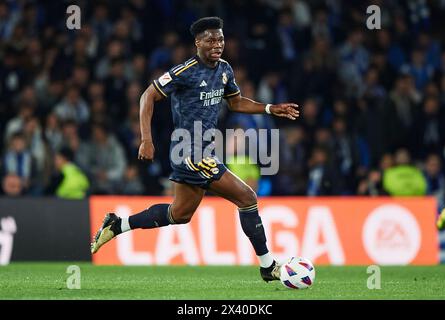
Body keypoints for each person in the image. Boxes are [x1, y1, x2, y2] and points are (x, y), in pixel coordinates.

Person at [90, 17, 299, 282]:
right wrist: (146, 138)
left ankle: (117, 224)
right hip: (188, 151)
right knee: (247, 198)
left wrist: (270, 108)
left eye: (220, 39)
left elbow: (236, 104)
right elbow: (147, 96)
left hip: (206, 149)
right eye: (211, 40)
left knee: (180, 214)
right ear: (197, 42)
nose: (217, 45)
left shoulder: (224, 69)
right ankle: (268, 266)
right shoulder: (184, 71)